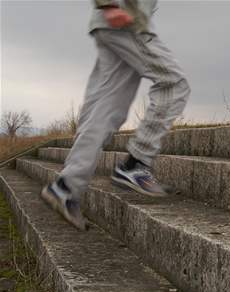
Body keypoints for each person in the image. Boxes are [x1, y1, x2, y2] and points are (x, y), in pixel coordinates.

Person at [41, 0, 191, 230]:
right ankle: (135, 163)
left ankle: (66, 186)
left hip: (116, 22)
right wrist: (108, 5)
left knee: (107, 110)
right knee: (174, 84)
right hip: (125, 20)